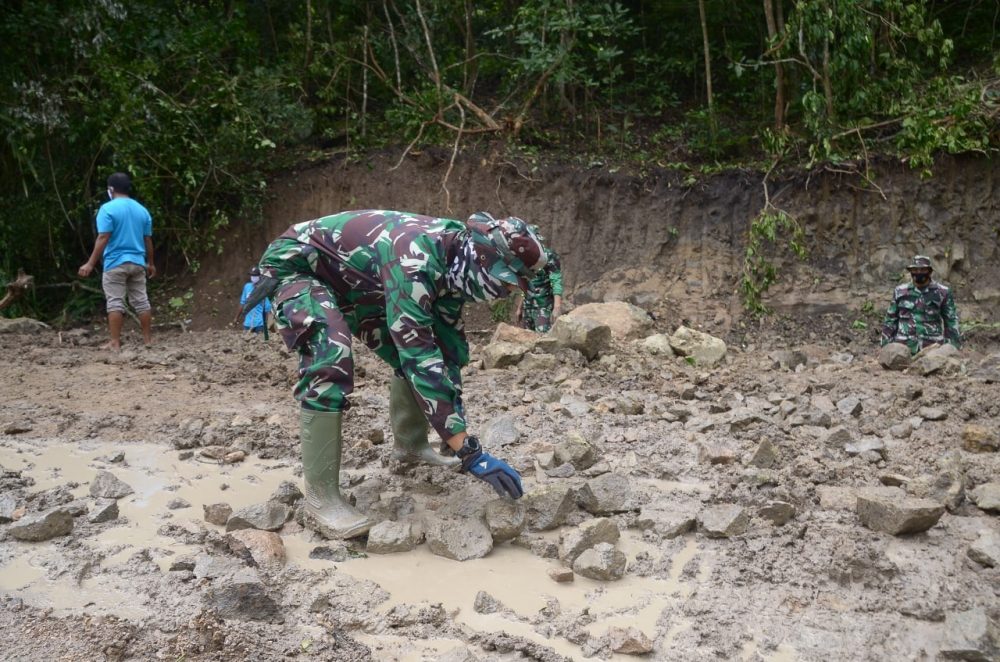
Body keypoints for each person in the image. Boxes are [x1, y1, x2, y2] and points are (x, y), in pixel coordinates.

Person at [242, 210, 547, 539]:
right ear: (484, 261)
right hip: (297, 267)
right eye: (504, 283)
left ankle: (411, 447)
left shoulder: (456, 259)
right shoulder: (415, 261)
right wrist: (470, 451)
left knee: (445, 350)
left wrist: (456, 438)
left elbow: (444, 351)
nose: (504, 292)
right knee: (330, 356)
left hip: (356, 279)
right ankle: (321, 501)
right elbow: (417, 355)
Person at [78, 172, 155, 350]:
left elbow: (104, 236)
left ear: (111, 189)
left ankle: (115, 342)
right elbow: (148, 239)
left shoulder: (107, 209)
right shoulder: (142, 210)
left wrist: (90, 263)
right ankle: (147, 340)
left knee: (115, 302)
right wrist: (150, 263)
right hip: (138, 262)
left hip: (115, 263)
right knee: (142, 301)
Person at [880, 255, 961, 355]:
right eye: (915, 270)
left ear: (930, 271)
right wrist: (885, 346)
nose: (918, 273)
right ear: (910, 271)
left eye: (923, 269)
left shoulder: (942, 292)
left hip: (933, 348)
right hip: (903, 348)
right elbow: (890, 320)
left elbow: (951, 320)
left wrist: (952, 347)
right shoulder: (900, 291)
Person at [514, 226, 562, 332]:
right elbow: (524, 283)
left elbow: (556, 280)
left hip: (543, 306)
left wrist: (557, 307)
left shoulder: (548, 256)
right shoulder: (523, 257)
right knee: (527, 340)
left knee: (542, 339)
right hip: (528, 306)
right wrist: (520, 307)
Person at [234, 266, 272, 334]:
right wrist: (236, 318)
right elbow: (242, 303)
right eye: (252, 275)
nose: (253, 277)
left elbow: (267, 309)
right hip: (247, 323)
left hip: (259, 324)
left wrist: (265, 325)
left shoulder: (263, 289)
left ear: (259, 277)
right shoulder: (247, 287)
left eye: (255, 275)